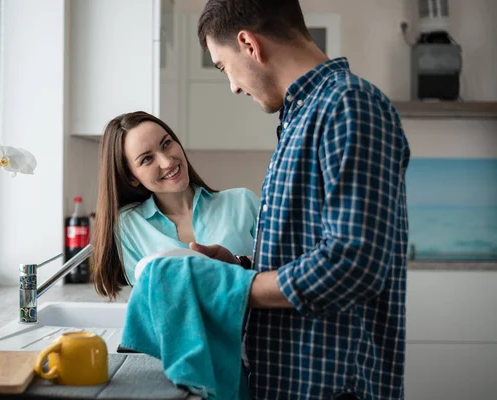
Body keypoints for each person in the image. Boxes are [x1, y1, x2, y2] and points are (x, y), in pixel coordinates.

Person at [190, 1, 411, 399]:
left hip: (334, 388)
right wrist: (240, 271)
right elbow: (310, 252)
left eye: (224, 67)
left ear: (248, 44)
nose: (234, 86)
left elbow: (353, 264)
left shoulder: (349, 105)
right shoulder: (302, 116)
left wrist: (236, 288)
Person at [91, 111, 259, 299]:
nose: (167, 161)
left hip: (250, 327)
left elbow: (285, 272)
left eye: (166, 143)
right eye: (147, 159)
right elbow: (146, 300)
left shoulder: (243, 202)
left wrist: (239, 263)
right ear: (131, 177)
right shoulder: (128, 225)